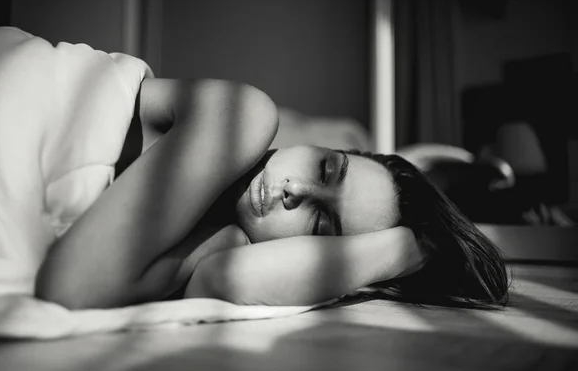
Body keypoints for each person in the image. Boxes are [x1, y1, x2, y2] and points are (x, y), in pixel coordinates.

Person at [32, 78, 509, 310]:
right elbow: (70, 289)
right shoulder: (246, 114)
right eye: (326, 167)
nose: (294, 191)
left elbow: (220, 281)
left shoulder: (220, 243)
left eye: (321, 225)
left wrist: (408, 248)